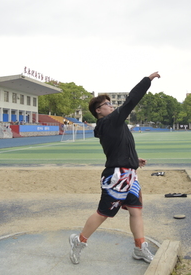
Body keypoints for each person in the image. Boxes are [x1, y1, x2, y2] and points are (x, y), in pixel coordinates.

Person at [69, 71, 161, 265]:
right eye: (107, 104)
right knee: (104, 214)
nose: (111, 106)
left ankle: (139, 248)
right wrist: (147, 81)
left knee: (136, 210)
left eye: (110, 103)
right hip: (117, 177)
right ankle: (79, 241)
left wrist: (134, 160)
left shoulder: (114, 124)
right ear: (98, 112)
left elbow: (121, 147)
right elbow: (131, 100)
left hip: (129, 174)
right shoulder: (109, 122)